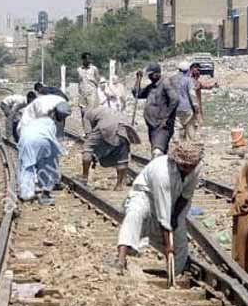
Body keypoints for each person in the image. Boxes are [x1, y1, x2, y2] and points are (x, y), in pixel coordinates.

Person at [116, 141, 203, 274]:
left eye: (191, 166)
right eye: (184, 166)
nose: (188, 169)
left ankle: (175, 272)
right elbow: (163, 215)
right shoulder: (162, 172)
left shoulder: (195, 168)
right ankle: (120, 259)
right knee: (134, 215)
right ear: (177, 162)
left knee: (179, 235)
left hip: (174, 200)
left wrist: (175, 218)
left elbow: (186, 196)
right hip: (145, 195)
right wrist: (168, 246)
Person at [81, 105, 140, 190]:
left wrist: (94, 147)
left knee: (87, 148)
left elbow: (88, 134)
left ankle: (84, 178)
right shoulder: (103, 109)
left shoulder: (86, 115)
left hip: (105, 126)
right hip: (124, 127)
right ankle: (119, 186)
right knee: (122, 157)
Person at [17, 111, 66, 206]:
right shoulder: (50, 122)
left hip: (27, 139)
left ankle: (26, 194)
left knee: (27, 166)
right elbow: (53, 136)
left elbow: (19, 132)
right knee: (46, 165)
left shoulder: (26, 118)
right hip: (45, 141)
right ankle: (46, 191)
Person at [132, 63, 179, 158]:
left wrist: (166, 117)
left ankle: (157, 170)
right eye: (148, 74)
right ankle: (161, 170)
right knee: (158, 151)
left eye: (151, 74)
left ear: (157, 73)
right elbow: (137, 94)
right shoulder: (151, 86)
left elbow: (175, 100)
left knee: (157, 152)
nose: (149, 76)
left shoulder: (165, 83)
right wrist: (138, 79)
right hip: (152, 125)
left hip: (162, 126)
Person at [170, 61, 199, 141]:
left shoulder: (172, 79)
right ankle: (190, 146)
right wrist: (196, 107)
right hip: (187, 108)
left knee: (176, 128)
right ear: (188, 70)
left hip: (175, 108)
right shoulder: (188, 80)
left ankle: (176, 145)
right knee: (190, 127)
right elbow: (192, 94)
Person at [76, 52, 100, 120]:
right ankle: (85, 127)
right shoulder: (79, 69)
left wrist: (94, 82)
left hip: (91, 93)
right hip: (82, 94)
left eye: (89, 59)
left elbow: (98, 79)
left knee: (91, 112)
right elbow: (79, 81)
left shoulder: (94, 69)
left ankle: (92, 128)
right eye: (86, 59)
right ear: (83, 60)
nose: (88, 61)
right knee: (83, 111)